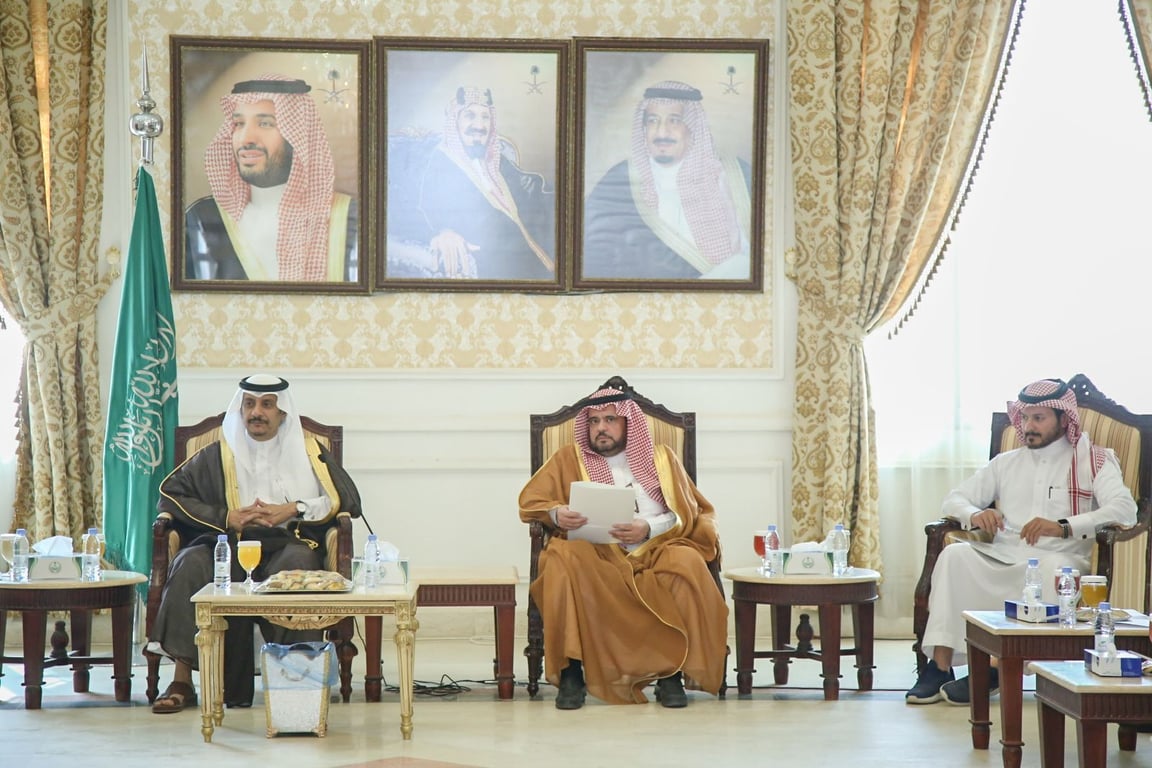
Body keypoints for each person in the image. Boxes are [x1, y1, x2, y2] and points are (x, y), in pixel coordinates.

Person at [906, 378, 1137, 705]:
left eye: (1038, 418)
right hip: (1004, 553)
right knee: (955, 556)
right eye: (1025, 418)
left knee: (1058, 570)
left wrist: (1064, 527)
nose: (1028, 427)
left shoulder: (1093, 459)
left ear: (1063, 419)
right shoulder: (1007, 462)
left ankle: (996, 669)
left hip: (1060, 557)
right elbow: (954, 499)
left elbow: (1125, 509)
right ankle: (939, 666)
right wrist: (976, 514)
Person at [147, 374, 362, 714]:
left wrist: (293, 508)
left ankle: (294, 679)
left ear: (282, 412)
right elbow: (170, 495)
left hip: (287, 542)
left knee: (297, 567)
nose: (256, 412)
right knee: (189, 564)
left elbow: (343, 499)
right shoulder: (218, 453)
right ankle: (182, 680)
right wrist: (227, 516)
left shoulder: (309, 453)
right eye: (249, 404)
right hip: (227, 542)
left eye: (266, 405)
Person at [519, 386, 728, 709]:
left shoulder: (662, 459)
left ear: (629, 423)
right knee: (561, 559)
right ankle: (571, 671)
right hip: (597, 553)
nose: (600, 428)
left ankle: (671, 674)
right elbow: (532, 502)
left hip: (657, 548)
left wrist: (648, 527)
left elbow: (688, 511)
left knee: (686, 562)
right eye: (594, 421)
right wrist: (557, 513)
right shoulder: (568, 459)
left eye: (610, 420)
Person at [184, 76, 359, 282]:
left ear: (298, 135)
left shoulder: (349, 215)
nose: (246, 138)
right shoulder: (203, 217)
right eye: (239, 124)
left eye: (265, 124)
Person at [582, 80, 753, 280]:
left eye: (674, 120)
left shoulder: (734, 175)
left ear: (692, 127)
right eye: (653, 121)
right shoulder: (620, 179)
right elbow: (592, 253)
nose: (662, 132)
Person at [387, 86, 556, 281]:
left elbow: (527, 187)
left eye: (485, 117)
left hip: (530, 253)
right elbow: (414, 206)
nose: (479, 125)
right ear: (455, 121)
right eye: (470, 116)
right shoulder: (439, 162)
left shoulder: (495, 159)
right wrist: (442, 232)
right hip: (497, 263)